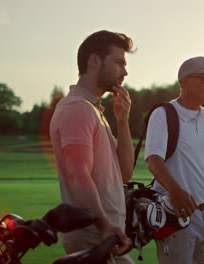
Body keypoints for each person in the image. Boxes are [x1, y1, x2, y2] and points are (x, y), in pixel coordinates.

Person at [50, 30, 135, 263]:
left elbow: (124, 174)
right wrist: (105, 225)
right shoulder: (77, 108)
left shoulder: (94, 109)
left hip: (108, 236)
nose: (125, 72)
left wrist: (122, 121)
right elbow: (78, 174)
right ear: (94, 60)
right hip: (94, 237)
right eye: (119, 62)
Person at [144, 56, 204, 264]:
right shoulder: (163, 114)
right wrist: (175, 190)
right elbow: (153, 160)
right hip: (176, 215)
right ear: (185, 81)